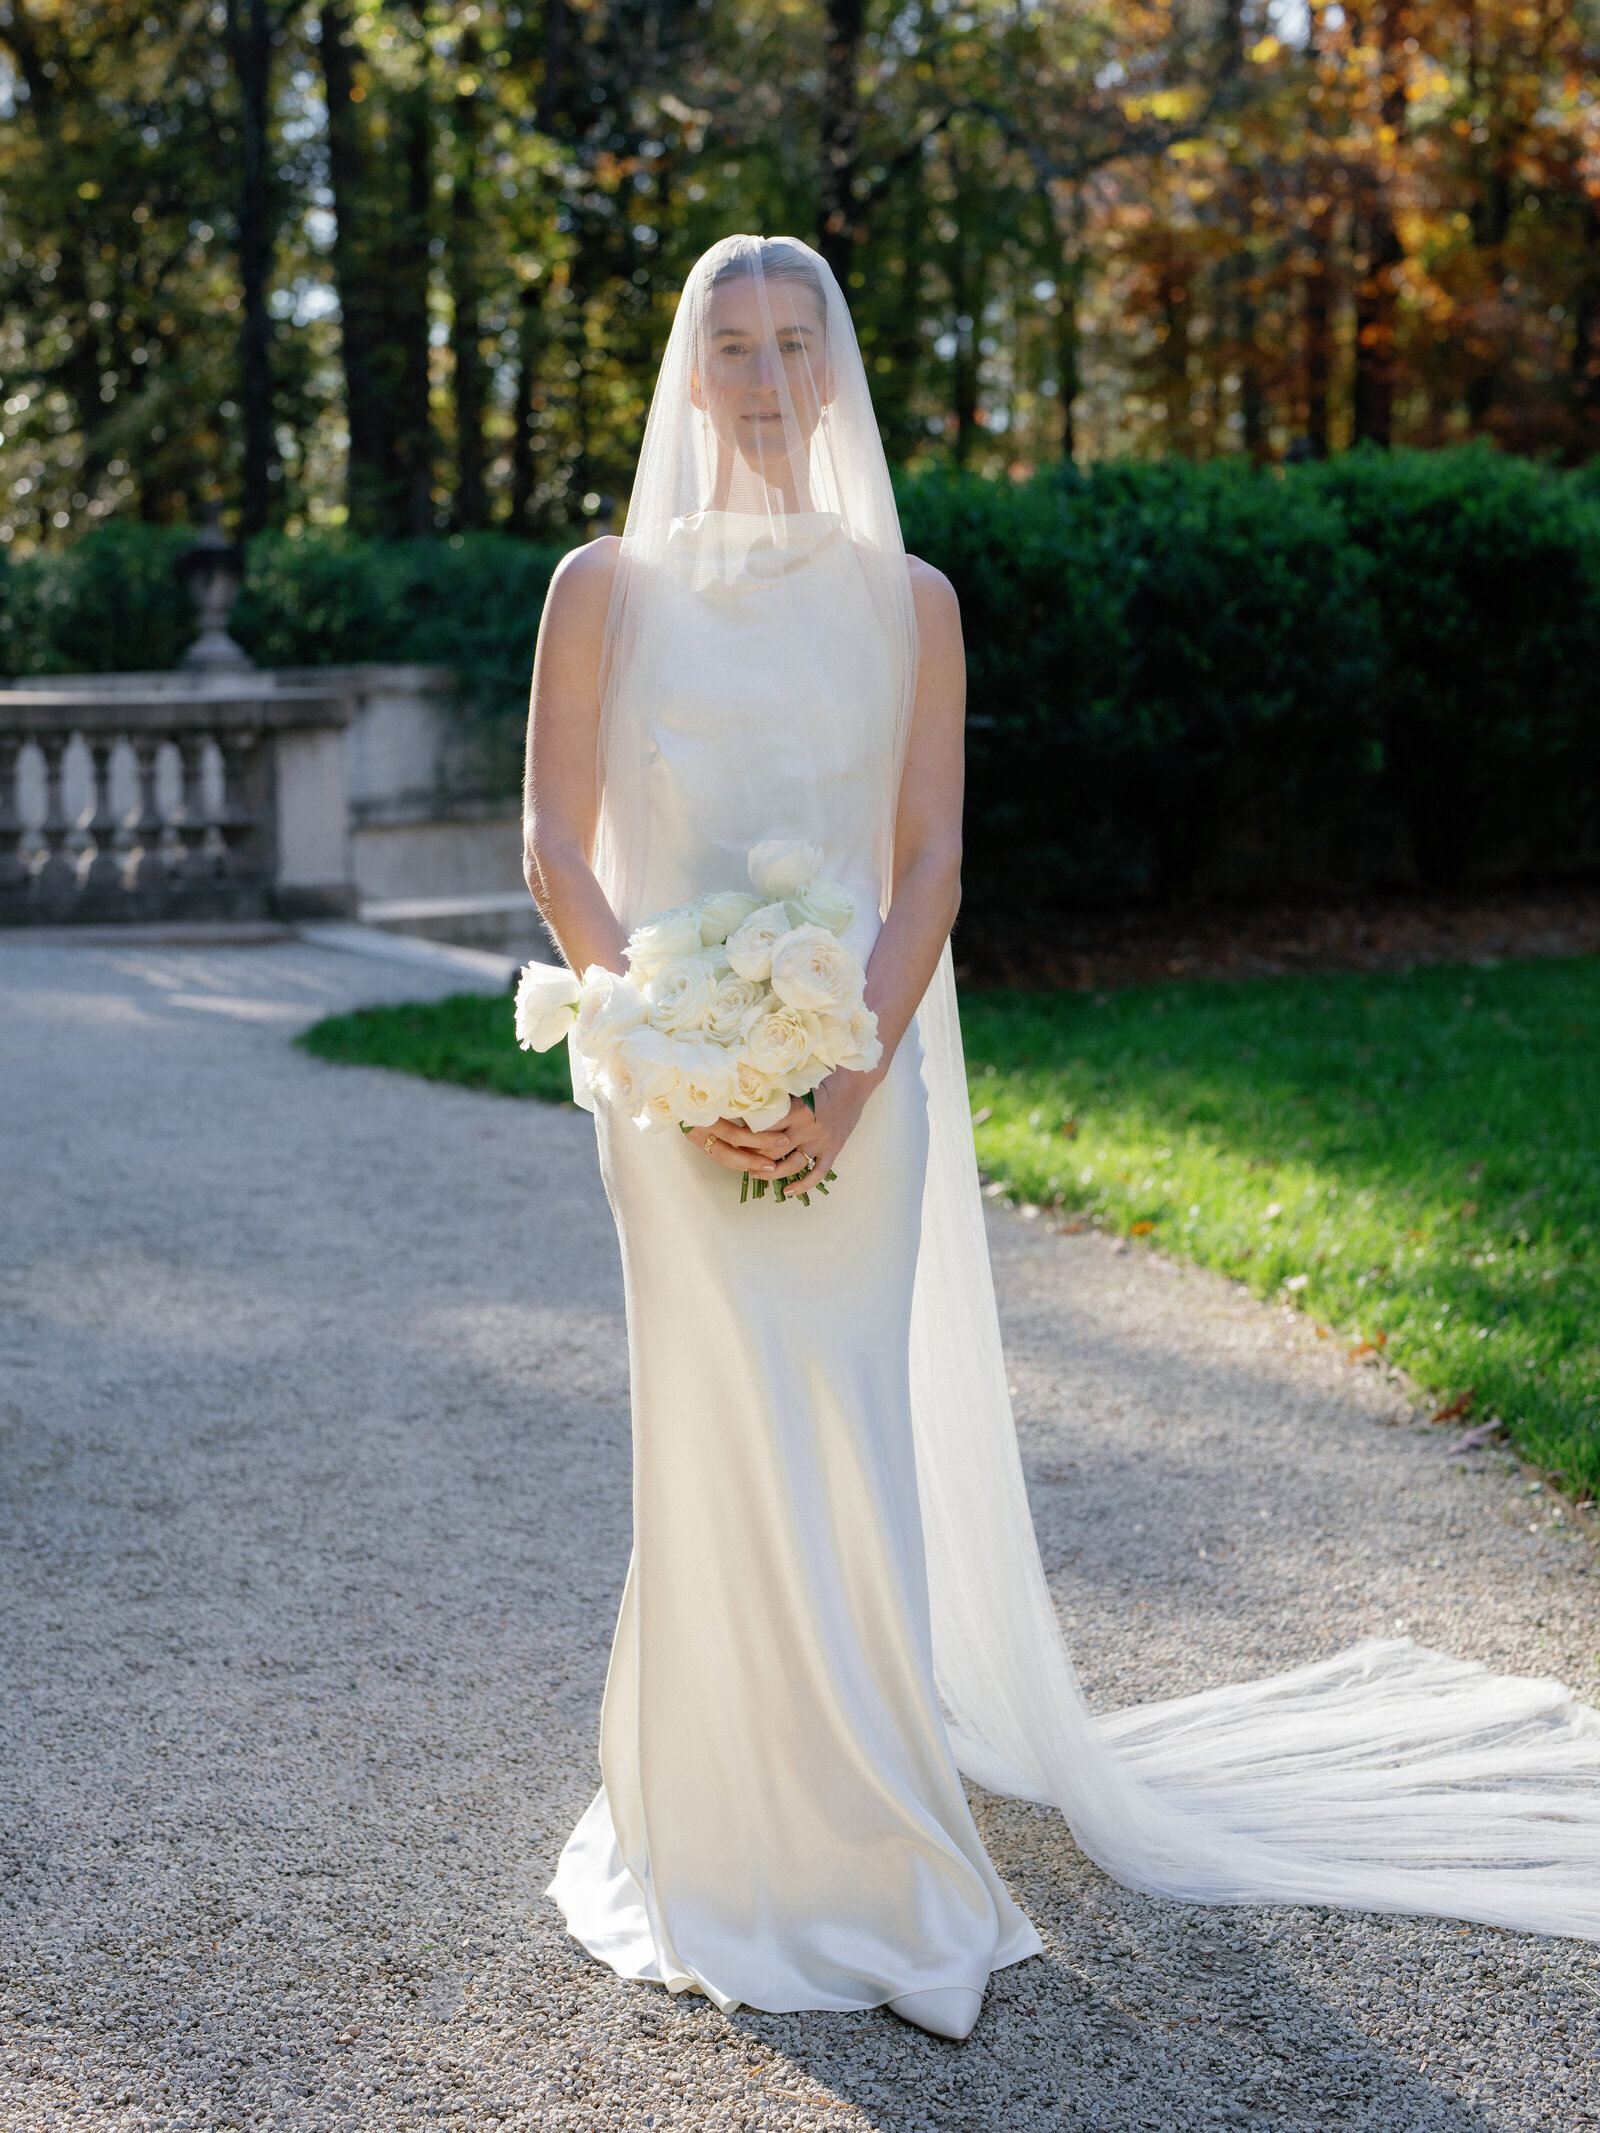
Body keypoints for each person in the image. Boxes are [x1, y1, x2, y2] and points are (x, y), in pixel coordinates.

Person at [522, 234, 1600, 2041]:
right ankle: (714, 1819)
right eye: (735, 345)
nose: (769, 376)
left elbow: (932, 859)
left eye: (800, 342)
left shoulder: (914, 600)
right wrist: (677, 1055)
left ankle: (873, 1826)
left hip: (860, 1072)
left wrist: (845, 1073)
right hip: (666, 1093)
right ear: (689, 374)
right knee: (710, 1434)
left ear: (841, 368)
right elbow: (560, 849)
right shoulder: (602, 589)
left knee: (848, 1432)